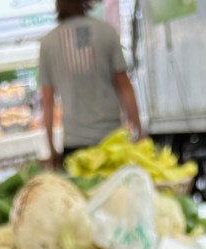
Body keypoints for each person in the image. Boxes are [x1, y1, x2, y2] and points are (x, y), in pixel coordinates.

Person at [38, 0, 141, 168]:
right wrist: (139, 131)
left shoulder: (48, 44)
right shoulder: (106, 32)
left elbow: (48, 102)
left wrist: (51, 149)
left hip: (75, 144)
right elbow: (124, 86)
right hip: (113, 140)